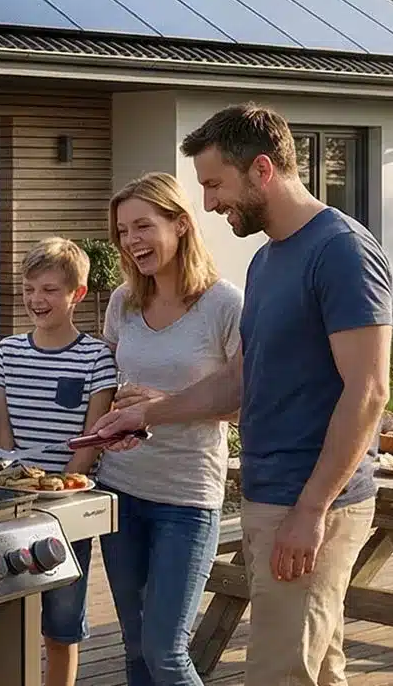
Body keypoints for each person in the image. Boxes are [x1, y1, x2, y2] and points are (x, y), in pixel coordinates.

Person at [93, 104, 392, 686]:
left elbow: (370, 389)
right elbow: (240, 380)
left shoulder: (340, 250)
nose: (208, 203)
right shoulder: (269, 260)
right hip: (271, 493)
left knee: (279, 674)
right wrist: (145, 413)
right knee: (316, 668)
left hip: (308, 500)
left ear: (261, 171)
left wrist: (311, 510)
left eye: (213, 184)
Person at [94, 173, 243, 686]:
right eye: (122, 232)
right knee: (134, 650)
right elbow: (109, 388)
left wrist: (162, 406)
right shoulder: (123, 303)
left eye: (143, 225)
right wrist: (114, 420)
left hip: (186, 498)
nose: (132, 240)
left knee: (165, 652)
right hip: (121, 490)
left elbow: (247, 404)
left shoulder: (225, 305)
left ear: (181, 224)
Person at [0, 238, 117, 686]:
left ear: (76, 295)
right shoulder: (8, 351)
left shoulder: (97, 356)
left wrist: (61, 487)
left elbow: (92, 438)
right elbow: (2, 427)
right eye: (29, 289)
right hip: (11, 504)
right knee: (7, 616)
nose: (36, 300)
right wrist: (9, 481)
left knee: (61, 624)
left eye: (49, 290)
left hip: (65, 508)